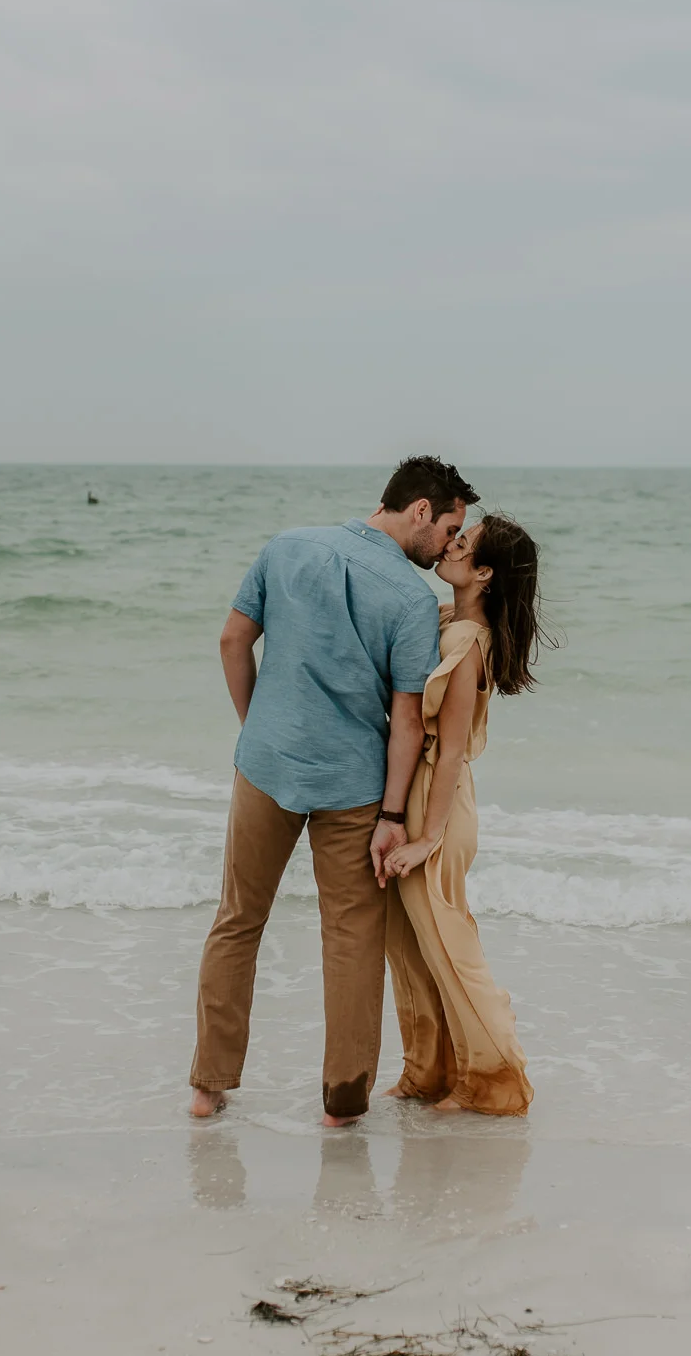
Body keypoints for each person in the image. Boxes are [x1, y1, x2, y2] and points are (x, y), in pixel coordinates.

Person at [190, 456, 480, 1127]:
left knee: (237, 921)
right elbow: (406, 719)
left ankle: (207, 1089)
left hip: (266, 763)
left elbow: (233, 640)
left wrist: (257, 725)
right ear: (418, 511)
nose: (446, 544)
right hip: (354, 785)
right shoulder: (407, 600)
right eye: (448, 527)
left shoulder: (286, 545)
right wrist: (393, 814)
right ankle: (342, 1104)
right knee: (350, 938)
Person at [382, 514, 549, 1116]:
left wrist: (426, 838)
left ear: (483, 574)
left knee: (450, 947)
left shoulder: (466, 644)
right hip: (432, 797)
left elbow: (450, 749)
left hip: (439, 804)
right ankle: (427, 1071)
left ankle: (493, 1079)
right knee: (409, 944)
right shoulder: (455, 623)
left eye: (464, 544)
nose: (450, 546)